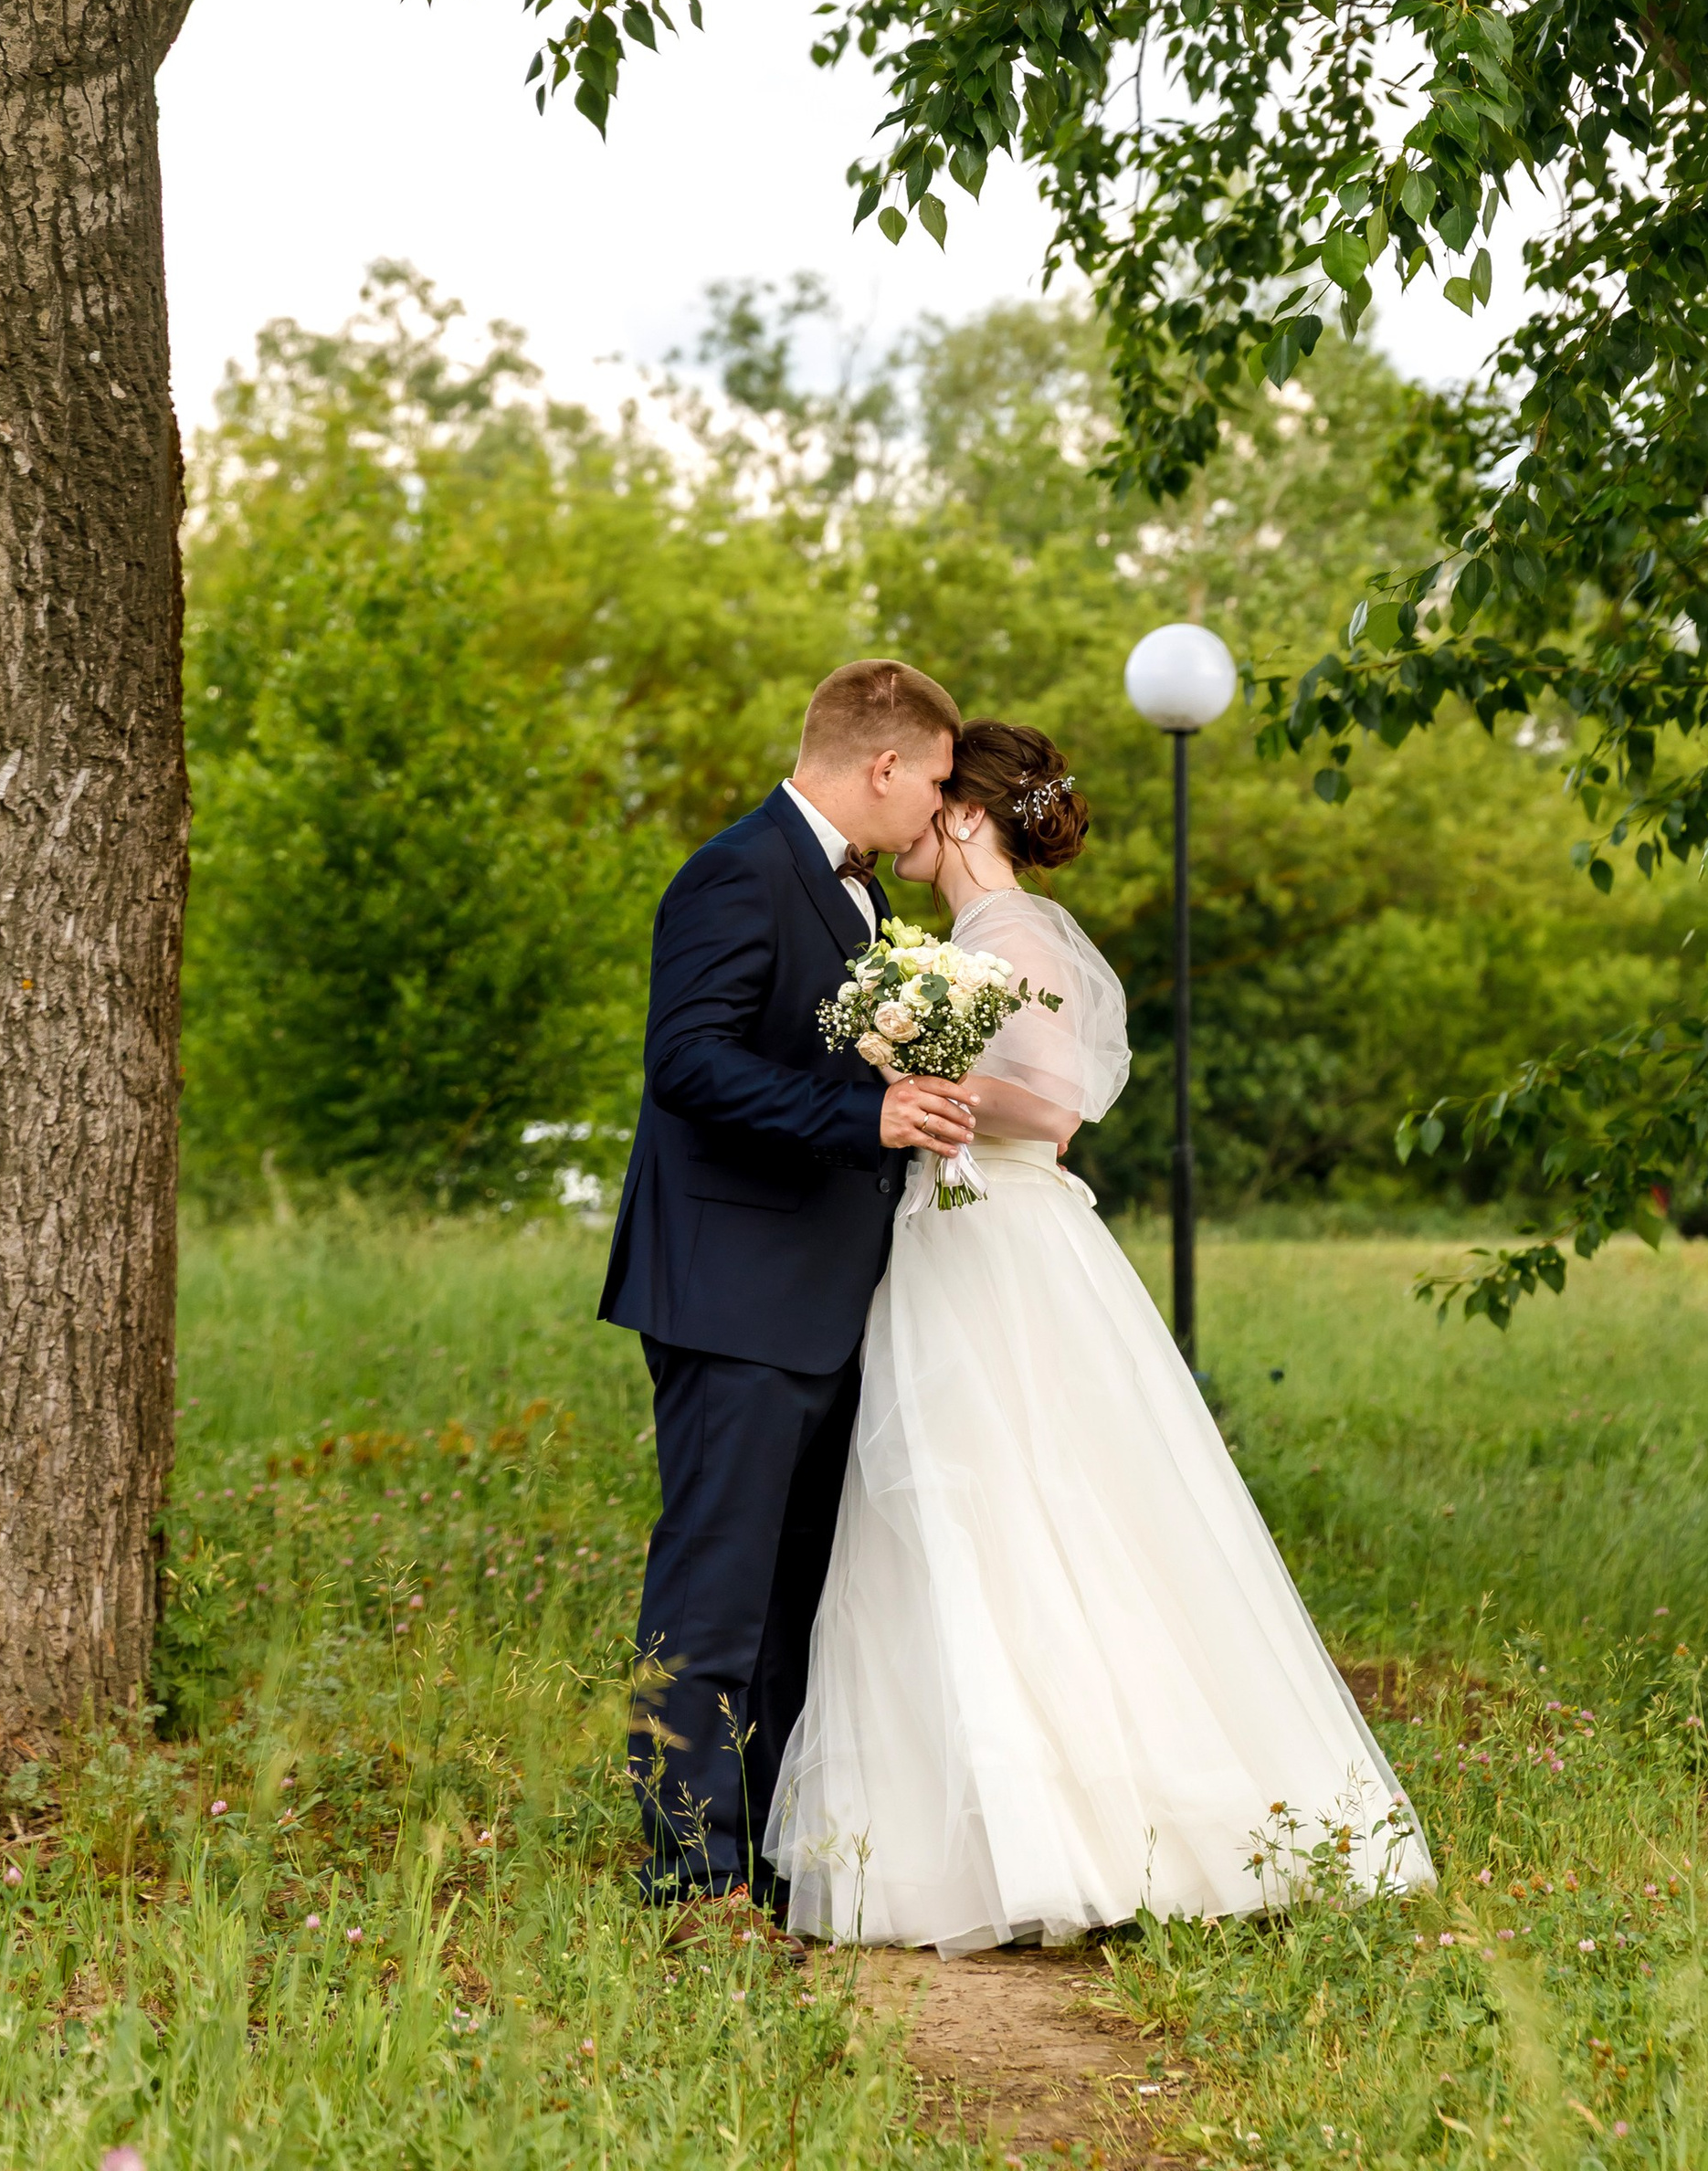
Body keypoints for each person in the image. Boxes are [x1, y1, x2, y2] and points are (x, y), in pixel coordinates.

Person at [767, 719, 1434, 1953]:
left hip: (996, 1246)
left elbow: (1056, 1110)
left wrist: (912, 1074)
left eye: (929, 803)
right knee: (963, 1508)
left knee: (1003, 1502)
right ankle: (981, 1830)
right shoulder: (975, 941)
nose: (908, 822)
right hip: (958, 1235)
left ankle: (1074, 1830)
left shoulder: (1007, 938)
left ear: (965, 814)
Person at [598, 658, 979, 1913]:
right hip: (733, 1291)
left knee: (790, 1599)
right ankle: (684, 1874)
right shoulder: (737, 870)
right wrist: (862, 1115)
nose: (936, 806)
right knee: (715, 1595)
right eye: (930, 779)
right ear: (881, 766)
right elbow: (688, 1066)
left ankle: (756, 1859)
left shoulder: (855, 893)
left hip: (823, 1297)